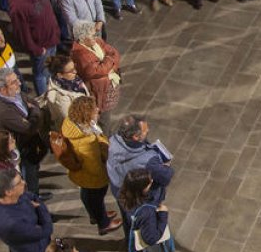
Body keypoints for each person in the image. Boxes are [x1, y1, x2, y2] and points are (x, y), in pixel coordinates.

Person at [62, 95, 123, 235]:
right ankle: (104, 223)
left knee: (87, 195)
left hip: (82, 176)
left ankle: (95, 215)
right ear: (86, 114)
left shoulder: (72, 123)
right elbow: (94, 167)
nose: (98, 109)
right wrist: (106, 172)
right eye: (94, 110)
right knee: (96, 197)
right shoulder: (86, 141)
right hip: (93, 178)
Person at [0, 66, 50, 198]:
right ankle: (34, 202)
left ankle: (36, 195)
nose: (20, 83)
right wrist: (34, 112)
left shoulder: (15, 94)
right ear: (2, 88)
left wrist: (33, 113)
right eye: (14, 82)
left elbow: (33, 102)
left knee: (34, 170)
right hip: (22, 149)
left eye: (17, 79)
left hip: (31, 144)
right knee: (29, 177)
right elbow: (29, 128)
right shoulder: (3, 111)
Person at [120, 168, 175, 252]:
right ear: (142, 188)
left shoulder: (125, 198)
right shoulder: (147, 211)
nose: (152, 182)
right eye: (149, 182)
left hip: (141, 247)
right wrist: (163, 215)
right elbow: (152, 238)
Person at [8, 0, 60, 95]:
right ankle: (44, 98)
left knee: (49, 70)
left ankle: (51, 88)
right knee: (41, 74)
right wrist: (36, 49)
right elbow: (22, 33)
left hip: (52, 40)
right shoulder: (18, 6)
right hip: (41, 47)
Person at [106, 114, 174, 204]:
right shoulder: (148, 161)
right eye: (145, 131)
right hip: (138, 198)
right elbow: (165, 177)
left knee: (126, 214)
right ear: (135, 137)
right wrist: (166, 166)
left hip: (118, 189)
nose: (148, 130)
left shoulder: (112, 140)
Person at [70, 21, 122, 131]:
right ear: (83, 38)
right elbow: (97, 70)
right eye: (93, 35)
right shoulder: (80, 54)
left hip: (108, 87)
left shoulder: (96, 41)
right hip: (99, 92)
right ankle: (105, 138)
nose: (96, 36)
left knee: (108, 114)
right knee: (103, 118)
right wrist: (110, 60)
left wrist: (108, 65)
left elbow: (114, 52)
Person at [43, 55, 90, 128]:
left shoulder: (75, 81)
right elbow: (69, 120)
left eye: (74, 68)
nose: (75, 72)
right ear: (60, 75)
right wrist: (90, 114)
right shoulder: (60, 97)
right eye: (71, 71)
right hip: (75, 131)